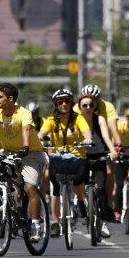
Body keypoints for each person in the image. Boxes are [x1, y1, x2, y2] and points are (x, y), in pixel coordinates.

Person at [0, 83, 49, 243]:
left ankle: (35, 224)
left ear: (10, 99)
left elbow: (26, 130)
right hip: (8, 152)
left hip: (31, 153)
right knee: (1, 176)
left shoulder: (23, 113)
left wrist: (26, 147)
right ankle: (10, 203)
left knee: (30, 187)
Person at [38, 89, 92, 238]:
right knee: (55, 187)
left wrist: (87, 139)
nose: (64, 104)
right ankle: (55, 223)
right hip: (57, 158)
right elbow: (41, 134)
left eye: (67, 101)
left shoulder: (78, 118)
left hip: (77, 157)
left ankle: (82, 204)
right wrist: (40, 140)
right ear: (56, 104)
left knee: (78, 182)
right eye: (60, 102)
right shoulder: (51, 120)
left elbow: (86, 132)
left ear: (71, 103)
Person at [77, 94, 118, 238]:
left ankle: (103, 222)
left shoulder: (99, 119)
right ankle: (82, 206)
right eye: (84, 106)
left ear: (95, 106)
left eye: (91, 105)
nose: (88, 108)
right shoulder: (76, 120)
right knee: (79, 182)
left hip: (99, 155)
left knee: (100, 188)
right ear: (79, 107)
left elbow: (106, 137)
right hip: (82, 156)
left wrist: (112, 151)